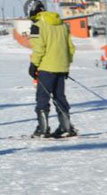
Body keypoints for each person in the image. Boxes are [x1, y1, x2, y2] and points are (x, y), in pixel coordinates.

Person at [25, 0, 77, 138]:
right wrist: (66, 65)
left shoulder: (38, 26)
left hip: (46, 68)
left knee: (43, 97)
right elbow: (70, 48)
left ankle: (43, 128)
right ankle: (66, 127)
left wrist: (33, 65)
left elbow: (39, 48)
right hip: (61, 67)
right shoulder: (62, 25)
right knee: (60, 97)